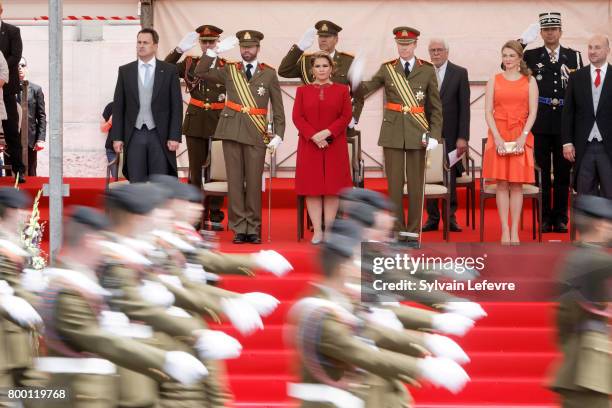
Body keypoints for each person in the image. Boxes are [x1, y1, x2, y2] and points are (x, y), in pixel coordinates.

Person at [36, 205, 209, 407]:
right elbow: (99, 341)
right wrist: (164, 359)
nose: (106, 250)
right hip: (76, 396)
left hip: (98, 392)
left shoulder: (87, 281)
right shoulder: (68, 290)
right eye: (102, 242)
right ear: (89, 241)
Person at [195, 30, 285, 245]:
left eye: (251, 47)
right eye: (243, 47)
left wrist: (279, 134)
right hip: (231, 130)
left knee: (253, 183)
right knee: (235, 182)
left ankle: (253, 228)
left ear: (258, 49)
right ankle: (238, 228)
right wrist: (213, 52)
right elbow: (200, 71)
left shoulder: (269, 74)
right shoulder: (229, 70)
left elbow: (278, 109)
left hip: (256, 132)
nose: (247, 50)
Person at [354, 27, 443, 243]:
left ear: (415, 45)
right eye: (400, 45)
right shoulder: (388, 69)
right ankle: (396, 229)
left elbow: (435, 106)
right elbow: (366, 90)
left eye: (408, 44)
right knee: (394, 186)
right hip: (393, 132)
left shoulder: (427, 70)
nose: (404, 48)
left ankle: (412, 231)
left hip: (418, 131)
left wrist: (434, 135)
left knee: (415, 185)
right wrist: (354, 80)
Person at [521, 13, 583, 233]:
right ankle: (545, 217)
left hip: (565, 123)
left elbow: (580, 91)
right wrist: (521, 42)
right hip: (540, 121)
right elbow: (505, 64)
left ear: (560, 32)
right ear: (541, 33)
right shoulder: (530, 55)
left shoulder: (573, 56)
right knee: (543, 173)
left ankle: (561, 217)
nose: (550, 33)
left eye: (554, 29)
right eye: (546, 30)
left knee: (564, 173)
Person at [550, 195, 611, 407]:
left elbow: (563, 321)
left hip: (578, 360)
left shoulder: (575, 258)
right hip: (589, 367)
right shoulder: (595, 259)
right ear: (600, 224)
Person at [164, 24, 227, 229]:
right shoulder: (190, 63)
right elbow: (164, 68)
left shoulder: (226, 64)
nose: (208, 44)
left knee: (217, 169)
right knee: (195, 170)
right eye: (204, 41)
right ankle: (196, 211)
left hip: (219, 119)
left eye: (211, 41)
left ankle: (215, 209)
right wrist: (178, 50)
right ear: (199, 43)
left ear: (218, 42)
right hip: (196, 119)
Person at [292, 51, 353, 244]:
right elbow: (297, 117)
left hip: (334, 145)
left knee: (332, 189)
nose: (321, 69)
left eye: (325, 66)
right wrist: (313, 136)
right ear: (312, 70)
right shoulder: (302, 91)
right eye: (317, 66)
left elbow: (345, 116)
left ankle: (330, 230)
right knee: (312, 188)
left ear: (332, 69)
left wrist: (327, 133)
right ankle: (317, 230)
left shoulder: (342, 90)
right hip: (309, 145)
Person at [482, 40, 538, 244]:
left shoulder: (530, 81)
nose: (507, 59)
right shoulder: (494, 79)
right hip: (498, 133)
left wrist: (523, 136)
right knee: (502, 184)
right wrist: (496, 136)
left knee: (516, 185)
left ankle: (515, 231)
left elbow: (533, 112)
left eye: (511, 56)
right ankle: (504, 230)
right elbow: (488, 111)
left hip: (520, 134)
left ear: (520, 58)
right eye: (504, 55)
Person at [110, 28, 183, 183]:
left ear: (155, 46)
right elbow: (119, 106)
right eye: (139, 42)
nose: (141, 46)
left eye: (145, 42)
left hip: (160, 135)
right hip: (134, 134)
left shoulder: (169, 70)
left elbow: (176, 106)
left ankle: (159, 208)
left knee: (160, 182)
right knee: (137, 182)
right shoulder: (125, 71)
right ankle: (138, 208)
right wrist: (117, 137)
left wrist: (174, 136)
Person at [279, 20, 362, 133]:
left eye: (327, 36)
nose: (323, 39)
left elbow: (358, 93)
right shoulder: (307, 60)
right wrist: (299, 48)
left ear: (336, 39)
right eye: (320, 36)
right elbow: (284, 71)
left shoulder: (348, 61)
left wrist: (353, 117)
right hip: (312, 126)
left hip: (339, 125)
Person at [423, 38, 470, 233]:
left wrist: (463, 137)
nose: (435, 53)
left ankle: (450, 218)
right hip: (428, 134)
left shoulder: (460, 73)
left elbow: (464, 108)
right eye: (432, 50)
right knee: (430, 175)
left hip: (452, 135)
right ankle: (432, 218)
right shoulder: (422, 72)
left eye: (439, 50)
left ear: (447, 52)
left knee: (449, 177)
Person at [562, 35, 612, 198]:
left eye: (597, 47)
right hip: (584, 147)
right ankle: (588, 225)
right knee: (585, 195)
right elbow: (568, 112)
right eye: (590, 47)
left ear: (608, 50)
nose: (592, 51)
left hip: (609, 147)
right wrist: (567, 142)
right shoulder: (576, 77)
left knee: (610, 193)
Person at [0, 2, 25, 183]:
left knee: (11, 132)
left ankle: (18, 170)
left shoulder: (12, 31)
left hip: (7, 89)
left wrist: (0, 71)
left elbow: (15, 57)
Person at [18, 57, 47, 177]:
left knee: (30, 173)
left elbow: (41, 116)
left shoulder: (36, 90)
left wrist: (40, 139)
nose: (20, 68)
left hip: (30, 139)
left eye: (22, 65)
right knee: (10, 175)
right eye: (17, 65)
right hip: (12, 139)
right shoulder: (6, 89)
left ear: (27, 68)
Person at [100, 101, 117, 178]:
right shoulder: (111, 106)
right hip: (112, 149)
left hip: (131, 150)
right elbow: (103, 129)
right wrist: (110, 122)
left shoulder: (135, 106)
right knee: (116, 178)